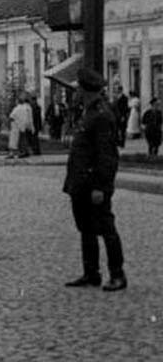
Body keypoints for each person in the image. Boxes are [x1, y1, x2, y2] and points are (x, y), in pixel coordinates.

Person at [63, 68, 126, 292]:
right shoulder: (88, 112)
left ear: (86, 90)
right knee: (85, 228)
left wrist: (100, 186)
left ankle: (117, 275)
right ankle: (91, 273)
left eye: (78, 88)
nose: (76, 91)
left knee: (106, 227)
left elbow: (107, 155)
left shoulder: (101, 115)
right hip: (81, 182)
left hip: (93, 184)